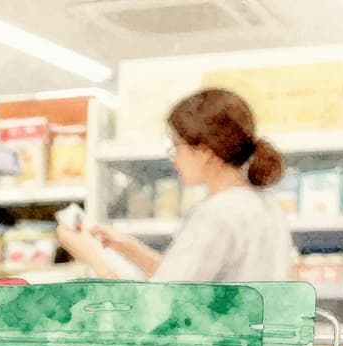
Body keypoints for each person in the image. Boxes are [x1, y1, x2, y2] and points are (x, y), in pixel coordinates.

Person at [58, 88, 293, 282]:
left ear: (205, 152)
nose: (173, 157)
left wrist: (92, 257)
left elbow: (161, 308)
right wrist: (126, 246)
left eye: (176, 146)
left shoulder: (217, 213)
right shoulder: (266, 205)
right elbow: (185, 280)